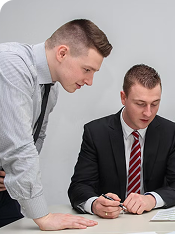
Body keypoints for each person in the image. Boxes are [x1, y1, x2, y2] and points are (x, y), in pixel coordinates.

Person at [0, 19, 112, 230]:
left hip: (6, 193)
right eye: (87, 69)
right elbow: (19, 148)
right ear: (62, 53)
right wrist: (44, 217)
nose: (89, 81)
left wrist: (11, 173)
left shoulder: (51, 89)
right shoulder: (11, 64)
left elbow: (35, 140)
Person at [68, 64, 175, 219]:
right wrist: (95, 204)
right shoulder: (96, 133)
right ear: (123, 98)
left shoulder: (170, 132)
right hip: (110, 223)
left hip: (151, 220)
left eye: (155, 104)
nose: (148, 112)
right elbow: (79, 187)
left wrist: (151, 199)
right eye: (140, 104)